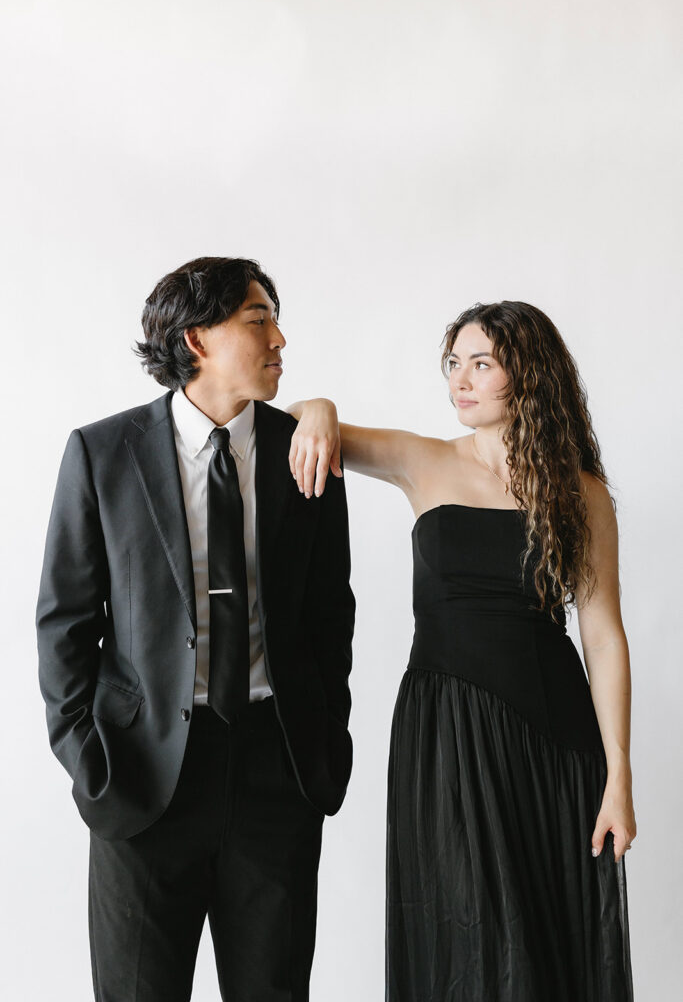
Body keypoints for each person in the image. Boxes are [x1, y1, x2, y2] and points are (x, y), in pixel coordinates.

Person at [288, 301, 635, 1001]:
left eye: (481, 363)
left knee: (549, 937)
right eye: (453, 364)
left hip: (553, 739)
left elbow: (601, 632)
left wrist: (618, 775)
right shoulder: (423, 460)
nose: (460, 380)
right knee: (463, 934)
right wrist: (320, 404)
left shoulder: (581, 493)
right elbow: (298, 422)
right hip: (446, 729)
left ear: (527, 374)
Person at [36, 257, 355, 1002]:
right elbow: (65, 622)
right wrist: (90, 759)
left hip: (275, 771)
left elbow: (327, 616)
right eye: (257, 319)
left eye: (274, 317)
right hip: (142, 780)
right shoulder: (100, 453)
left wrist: (323, 737)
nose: (279, 337)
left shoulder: (303, 453)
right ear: (197, 339)